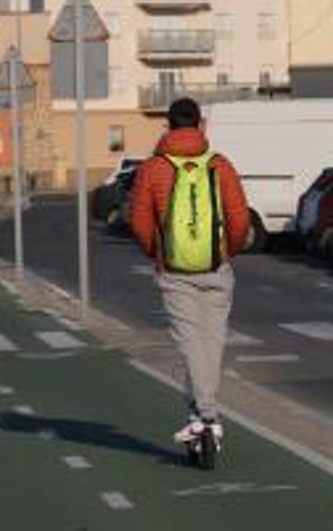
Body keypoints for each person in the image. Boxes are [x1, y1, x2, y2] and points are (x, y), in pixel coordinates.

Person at [130, 98, 250, 445]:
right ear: (200, 126)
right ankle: (204, 412)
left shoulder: (153, 168)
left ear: (167, 127)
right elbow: (240, 218)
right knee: (212, 342)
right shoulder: (220, 165)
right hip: (217, 267)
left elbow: (139, 222)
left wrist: (159, 252)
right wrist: (229, 251)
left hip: (175, 271)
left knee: (190, 343)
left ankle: (206, 414)